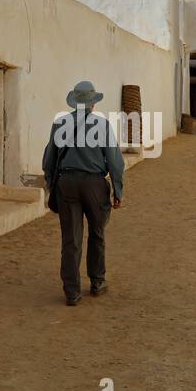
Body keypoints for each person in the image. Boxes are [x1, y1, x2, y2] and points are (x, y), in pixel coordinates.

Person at [42, 80, 125, 306]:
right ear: (92, 104)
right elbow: (115, 162)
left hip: (66, 183)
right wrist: (118, 189)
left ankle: (72, 291)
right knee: (97, 233)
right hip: (94, 185)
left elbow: (49, 159)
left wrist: (52, 185)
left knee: (71, 239)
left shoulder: (60, 124)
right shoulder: (102, 125)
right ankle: (97, 281)